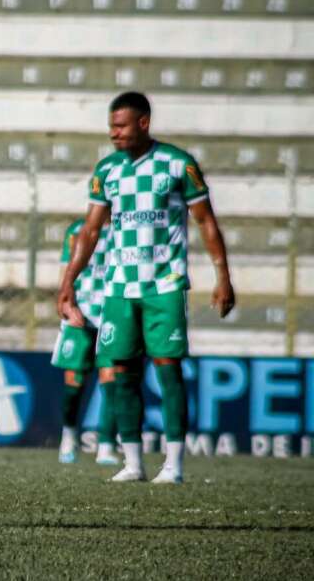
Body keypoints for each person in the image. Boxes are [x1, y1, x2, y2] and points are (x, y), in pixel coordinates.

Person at [56, 91, 234, 484]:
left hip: (164, 285)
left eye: (120, 126)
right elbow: (89, 231)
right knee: (121, 372)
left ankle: (173, 465)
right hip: (118, 287)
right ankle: (133, 463)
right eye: (110, 127)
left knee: (168, 369)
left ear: (143, 123)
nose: (113, 134)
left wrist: (222, 275)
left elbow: (205, 221)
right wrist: (68, 282)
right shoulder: (107, 171)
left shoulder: (177, 164)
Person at [51, 217, 119, 466]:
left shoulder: (125, 228)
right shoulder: (77, 230)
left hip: (113, 315)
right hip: (81, 314)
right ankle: (68, 436)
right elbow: (64, 271)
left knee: (111, 378)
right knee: (74, 380)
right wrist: (68, 304)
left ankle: (106, 445)